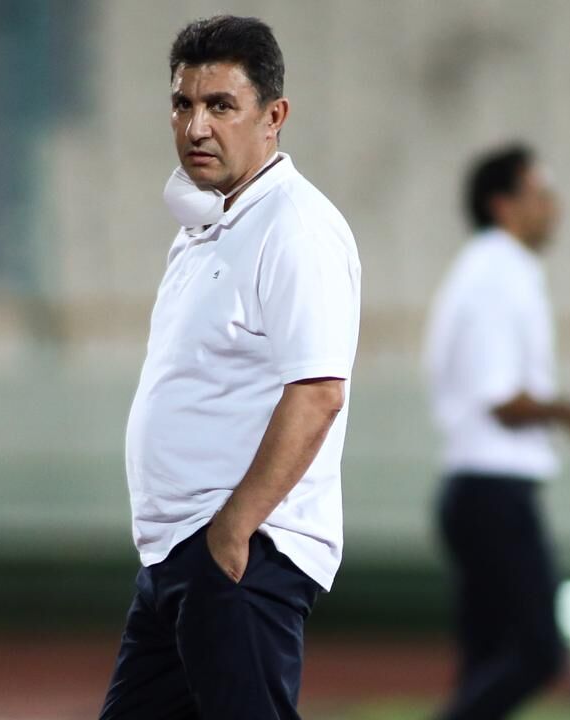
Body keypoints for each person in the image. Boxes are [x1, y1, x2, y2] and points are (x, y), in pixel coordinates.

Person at [100, 15, 361, 720]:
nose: (196, 127)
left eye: (221, 105)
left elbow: (318, 393)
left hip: (240, 552)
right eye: (183, 104)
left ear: (273, 116)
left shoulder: (295, 229)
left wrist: (234, 530)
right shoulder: (209, 226)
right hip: (178, 554)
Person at [424, 144, 570, 719]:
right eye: (540, 195)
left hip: (477, 490)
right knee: (539, 651)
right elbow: (501, 399)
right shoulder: (499, 275)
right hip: (494, 492)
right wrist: (569, 412)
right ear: (502, 205)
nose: (554, 207)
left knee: (485, 660)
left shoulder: (485, 269)